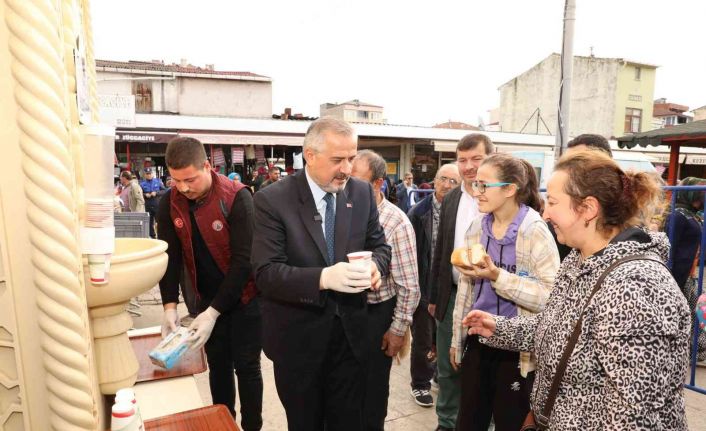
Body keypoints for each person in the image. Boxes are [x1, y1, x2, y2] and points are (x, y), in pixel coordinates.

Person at [464, 150, 690, 429]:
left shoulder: (635, 287)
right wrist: (500, 329)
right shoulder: (579, 259)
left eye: (554, 202)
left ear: (588, 209)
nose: (545, 213)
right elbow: (564, 330)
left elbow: (635, 417)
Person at [251, 117, 391, 431]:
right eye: (337, 160)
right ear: (310, 156)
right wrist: (323, 278)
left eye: (352, 158)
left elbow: (380, 247)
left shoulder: (361, 193)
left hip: (351, 340)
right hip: (298, 343)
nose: (347, 169)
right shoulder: (272, 200)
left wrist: (374, 267)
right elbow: (266, 272)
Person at [157, 137, 263, 430]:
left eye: (189, 179)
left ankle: (253, 426)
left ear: (207, 166)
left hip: (244, 299)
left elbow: (244, 263)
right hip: (204, 299)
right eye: (176, 180)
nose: (183, 188)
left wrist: (213, 313)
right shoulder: (170, 202)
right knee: (218, 369)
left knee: (247, 368)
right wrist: (169, 307)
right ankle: (223, 423)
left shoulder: (237, 197)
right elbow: (170, 258)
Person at [450, 153, 560, 431]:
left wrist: (498, 276)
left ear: (510, 189)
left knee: (510, 421)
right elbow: (465, 288)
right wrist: (457, 338)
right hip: (478, 340)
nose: (477, 192)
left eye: (485, 185)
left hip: (517, 348)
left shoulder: (535, 231)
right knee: (469, 420)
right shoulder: (477, 228)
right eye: (476, 185)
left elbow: (552, 297)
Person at [351, 150, 421, 430]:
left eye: (356, 181)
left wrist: (397, 329)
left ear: (377, 184)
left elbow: (409, 285)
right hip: (343, 312)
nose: (347, 187)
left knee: (373, 391)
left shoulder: (396, 223)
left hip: (376, 315)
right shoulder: (340, 212)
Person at [429, 133, 493, 431]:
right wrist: (434, 297)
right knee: (447, 367)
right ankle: (446, 422)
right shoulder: (452, 197)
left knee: (487, 369)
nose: (468, 167)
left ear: (490, 157)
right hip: (452, 296)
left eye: (476, 159)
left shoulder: (501, 196)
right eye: (462, 160)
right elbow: (440, 250)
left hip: (491, 299)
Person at [407, 163, 461, 407]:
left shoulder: (462, 210)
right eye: (443, 179)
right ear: (435, 181)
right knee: (422, 337)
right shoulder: (418, 212)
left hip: (449, 286)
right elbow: (412, 255)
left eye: (453, 181)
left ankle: (440, 376)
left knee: (445, 337)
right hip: (423, 285)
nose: (447, 185)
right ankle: (420, 384)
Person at [665, 176, 706, 361]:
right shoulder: (678, 215)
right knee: (688, 313)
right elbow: (669, 247)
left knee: (694, 312)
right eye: (699, 193)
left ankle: (690, 349)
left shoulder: (692, 215)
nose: (702, 198)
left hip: (688, 274)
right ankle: (684, 350)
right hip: (675, 276)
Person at [140, 166, 165, 238]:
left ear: (152, 174)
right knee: (149, 222)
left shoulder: (158, 181)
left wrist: (156, 193)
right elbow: (139, 194)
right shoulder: (142, 184)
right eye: (147, 174)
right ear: (145, 175)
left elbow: (165, 191)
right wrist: (145, 194)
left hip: (157, 204)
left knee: (159, 221)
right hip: (147, 204)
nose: (148, 175)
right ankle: (152, 236)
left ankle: (161, 236)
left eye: (150, 173)